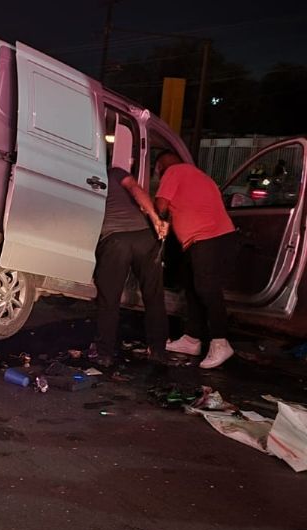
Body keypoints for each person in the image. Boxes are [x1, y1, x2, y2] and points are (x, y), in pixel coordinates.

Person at [155, 151, 237, 369]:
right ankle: (192, 339)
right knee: (192, 287)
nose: (158, 174)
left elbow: (161, 205)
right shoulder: (199, 176)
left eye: (156, 170)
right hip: (206, 238)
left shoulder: (174, 170)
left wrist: (157, 219)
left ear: (160, 166)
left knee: (207, 288)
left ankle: (220, 342)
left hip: (207, 237)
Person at [93, 166, 169, 367]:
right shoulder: (116, 173)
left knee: (109, 298)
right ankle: (158, 351)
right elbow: (136, 189)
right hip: (144, 236)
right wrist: (155, 219)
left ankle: (104, 353)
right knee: (154, 295)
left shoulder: (86, 176)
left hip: (115, 240)